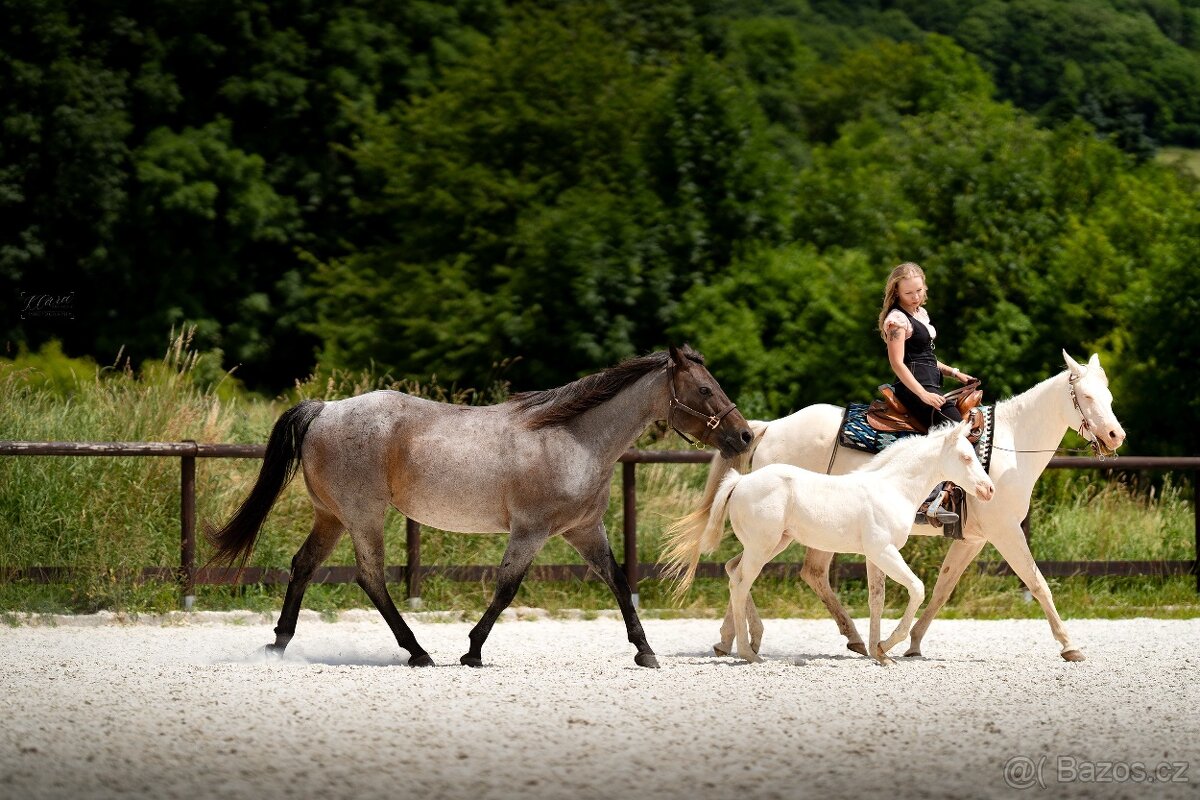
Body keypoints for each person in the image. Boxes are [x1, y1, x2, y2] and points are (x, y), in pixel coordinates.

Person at [878, 262, 975, 537]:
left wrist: (954, 373)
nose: (915, 297)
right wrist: (922, 394)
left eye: (919, 291)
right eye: (908, 293)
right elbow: (898, 363)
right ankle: (929, 501)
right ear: (896, 293)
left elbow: (927, 358)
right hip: (913, 389)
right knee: (955, 430)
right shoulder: (896, 320)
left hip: (931, 385)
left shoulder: (920, 314)